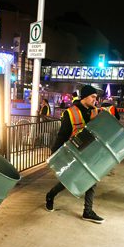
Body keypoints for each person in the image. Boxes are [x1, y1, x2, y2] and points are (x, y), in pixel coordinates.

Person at [45, 85, 104, 224]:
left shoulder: (96, 112)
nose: (95, 100)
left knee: (92, 180)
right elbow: (62, 135)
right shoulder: (70, 113)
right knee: (69, 179)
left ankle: (87, 211)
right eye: (93, 97)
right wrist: (54, 154)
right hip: (74, 152)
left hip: (90, 152)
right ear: (84, 97)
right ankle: (50, 195)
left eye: (96, 97)